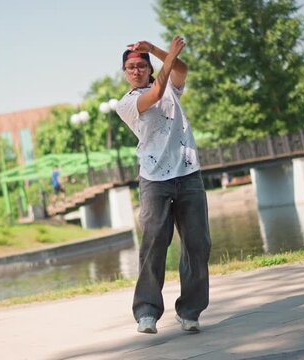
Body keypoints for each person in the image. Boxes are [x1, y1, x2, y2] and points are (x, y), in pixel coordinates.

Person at [116, 35, 211, 335]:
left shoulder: (171, 85)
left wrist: (157, 51)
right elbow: (155, 95)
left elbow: (180, 70)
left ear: (149, 67)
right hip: (155, 180)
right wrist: (166, 54)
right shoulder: (127, 103)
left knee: (198, 244)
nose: (135, 70)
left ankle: (190, 310)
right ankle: (146, 311)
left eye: (140, 65)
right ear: (124, 72)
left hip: (188, 172)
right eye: (130, 67)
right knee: (155, 242)